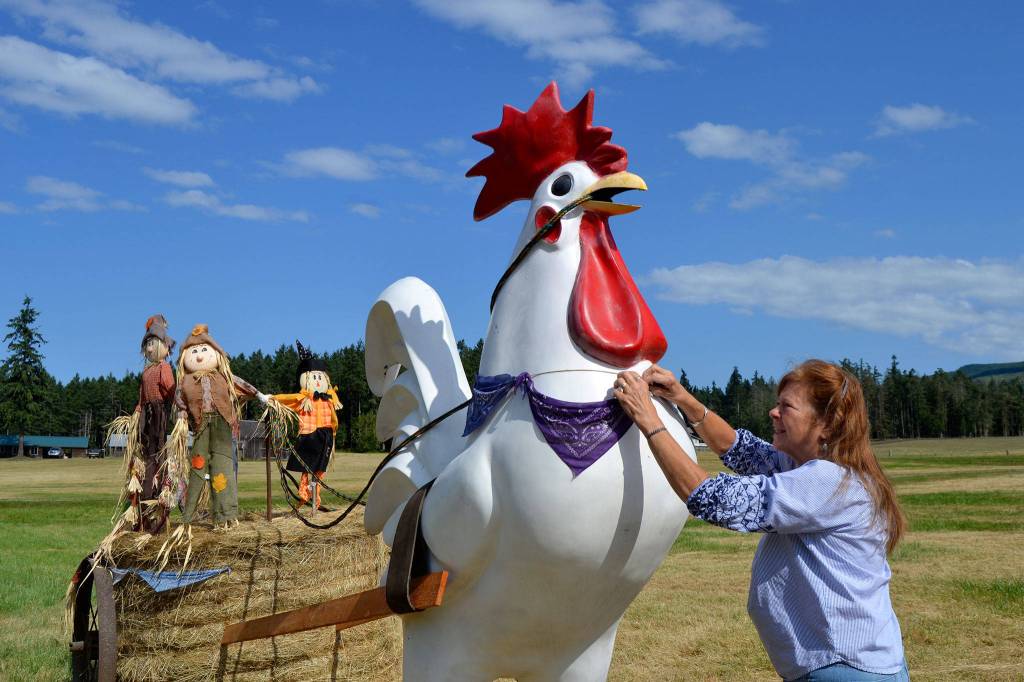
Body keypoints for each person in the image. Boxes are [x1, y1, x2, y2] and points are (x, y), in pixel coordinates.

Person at [613, 360, 909, 682]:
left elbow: (714, 498)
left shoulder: (828, 481)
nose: (773, 412)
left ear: (826, 424)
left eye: (787, 406)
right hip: (845, 665)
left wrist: (648, 419)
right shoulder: (818, 469)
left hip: (843, 668)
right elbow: (742, 450)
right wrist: (682, 398)